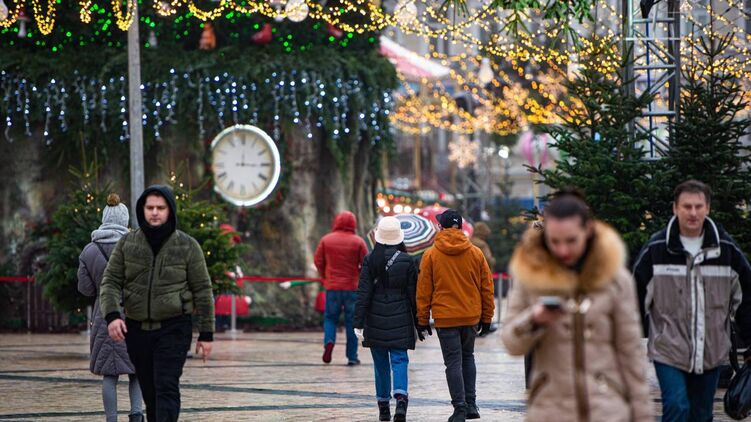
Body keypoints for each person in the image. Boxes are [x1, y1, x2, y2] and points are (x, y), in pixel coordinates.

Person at [501, 190, 653, 422]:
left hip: (607, 410)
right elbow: (511, 343)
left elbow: (630, 354)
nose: (563, 250)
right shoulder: (530, 276)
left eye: (571, 240)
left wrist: (642, 415)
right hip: (550, 410)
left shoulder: (616, 280)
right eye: (555, 241)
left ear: (588, 230)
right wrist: (534, 319)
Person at [633, 180, 751, 422]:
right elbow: (632, 300)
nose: (693, 213)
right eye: (687, 206)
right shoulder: (656, 249)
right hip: (668, 350)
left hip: (711, 351)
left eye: (699, 206)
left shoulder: (726, 250)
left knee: (701, 415)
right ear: (675, 208)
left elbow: (747, 297)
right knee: (677, 407)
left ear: (707, 208)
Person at [100, 185, 215, 422]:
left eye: (160, 208)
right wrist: (112, 315)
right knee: (150, 392)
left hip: (174, 328)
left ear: (169, 211)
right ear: (142, 210)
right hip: (137, 330)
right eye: (150, 207)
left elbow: (203, 289)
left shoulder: (187, 245)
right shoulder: (127, 243)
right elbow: (110, 281)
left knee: (166, 385)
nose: (154, 212)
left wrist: (206, 333)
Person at [416, 209, 495, 422]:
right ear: (460, 227)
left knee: (453, 362)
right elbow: (487, 287)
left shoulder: (431, 255)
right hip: (470, 316)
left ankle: (459, 407)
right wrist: (487, 318)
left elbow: (424, 290)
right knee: (468, 357)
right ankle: (471, 404)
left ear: (441, 226)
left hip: (445, 317)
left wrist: (422, 320)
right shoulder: (476, 253)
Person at [78, 193, 144, 422]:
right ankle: (137, 415)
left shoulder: (89, 250)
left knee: (109, 374)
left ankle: (111, 419)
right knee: (137, 372)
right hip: (133, 316)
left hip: (103, 316)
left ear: (105, 219)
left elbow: (85, 289)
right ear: (125, 220)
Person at [353, 216, 419, 422]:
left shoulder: (370, 260)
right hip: (401, 318)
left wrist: (358, 322)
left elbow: (363, 293)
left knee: (380, 364)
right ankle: (401, 401)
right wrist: (421, 322)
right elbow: (413, 295)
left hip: (375, 319)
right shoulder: (408, 261)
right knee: (400, 360)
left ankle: (383, 407)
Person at [314, 210, 368, 365]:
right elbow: (366, 264)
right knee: (352, 322)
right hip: (352, 287)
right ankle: (352, 356)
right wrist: (357, 274)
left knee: (330, 318)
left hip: (332, 287)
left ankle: (329, 341)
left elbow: (318, 260)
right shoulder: (358, 242)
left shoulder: (326, 240)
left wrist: (325, 276)